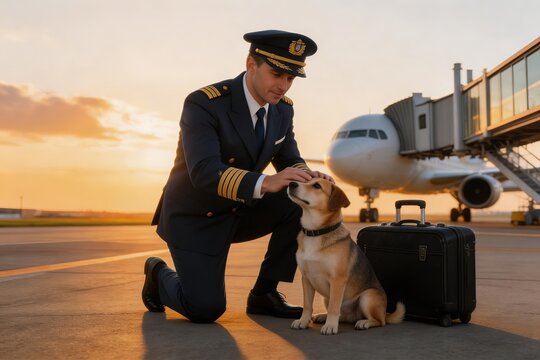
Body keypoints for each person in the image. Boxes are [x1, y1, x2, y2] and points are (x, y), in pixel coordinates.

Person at [143, 29, 333, 323]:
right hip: (196, 218)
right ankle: (157, 273)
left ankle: (264, 294)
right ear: (251, 64)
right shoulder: (205, 103)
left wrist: (307, 177)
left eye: (290, 78)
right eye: (276, 74)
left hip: (239, 210)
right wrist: (265, 182)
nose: (283, 86)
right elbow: (204, 171)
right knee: (205, 309)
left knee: (300, 199)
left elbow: (289, 157)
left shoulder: (282, 111)